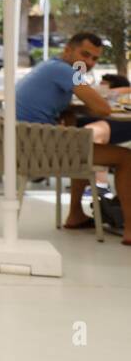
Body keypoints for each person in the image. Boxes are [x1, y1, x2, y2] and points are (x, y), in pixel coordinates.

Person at [15, 31, 131, 241]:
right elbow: (102, 109)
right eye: (84, 55)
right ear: (68, 49)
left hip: (27, 143)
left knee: (80, 136)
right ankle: (130, 229)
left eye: (95, 58)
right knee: (125, 158)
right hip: (41, 149)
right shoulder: (66, 72)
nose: (90, 62)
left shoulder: (48, 66)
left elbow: (69, 106)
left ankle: (75, 214)